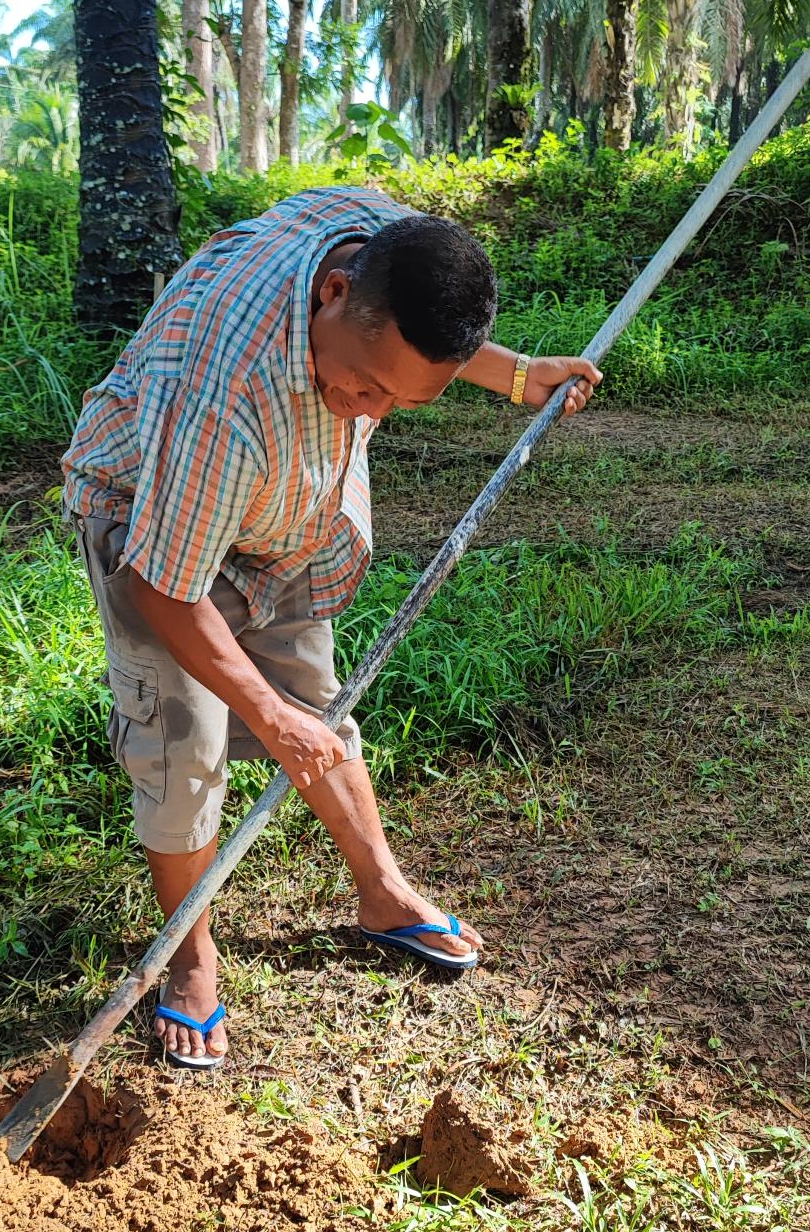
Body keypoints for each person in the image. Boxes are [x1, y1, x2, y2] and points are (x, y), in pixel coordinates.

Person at [63, 185, 600, 1070]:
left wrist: (513, 371)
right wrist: (264, 720)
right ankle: (190, 956)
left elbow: (411, 334)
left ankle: (383, 894)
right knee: (184, 742)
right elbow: (167, 587)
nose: (369, 410)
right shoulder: (222, 395)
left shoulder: (375, 242)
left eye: (398, 400)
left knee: (317, 700)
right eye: (365, 384)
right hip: (153, 512)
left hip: (286, 512)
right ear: (332, 296)